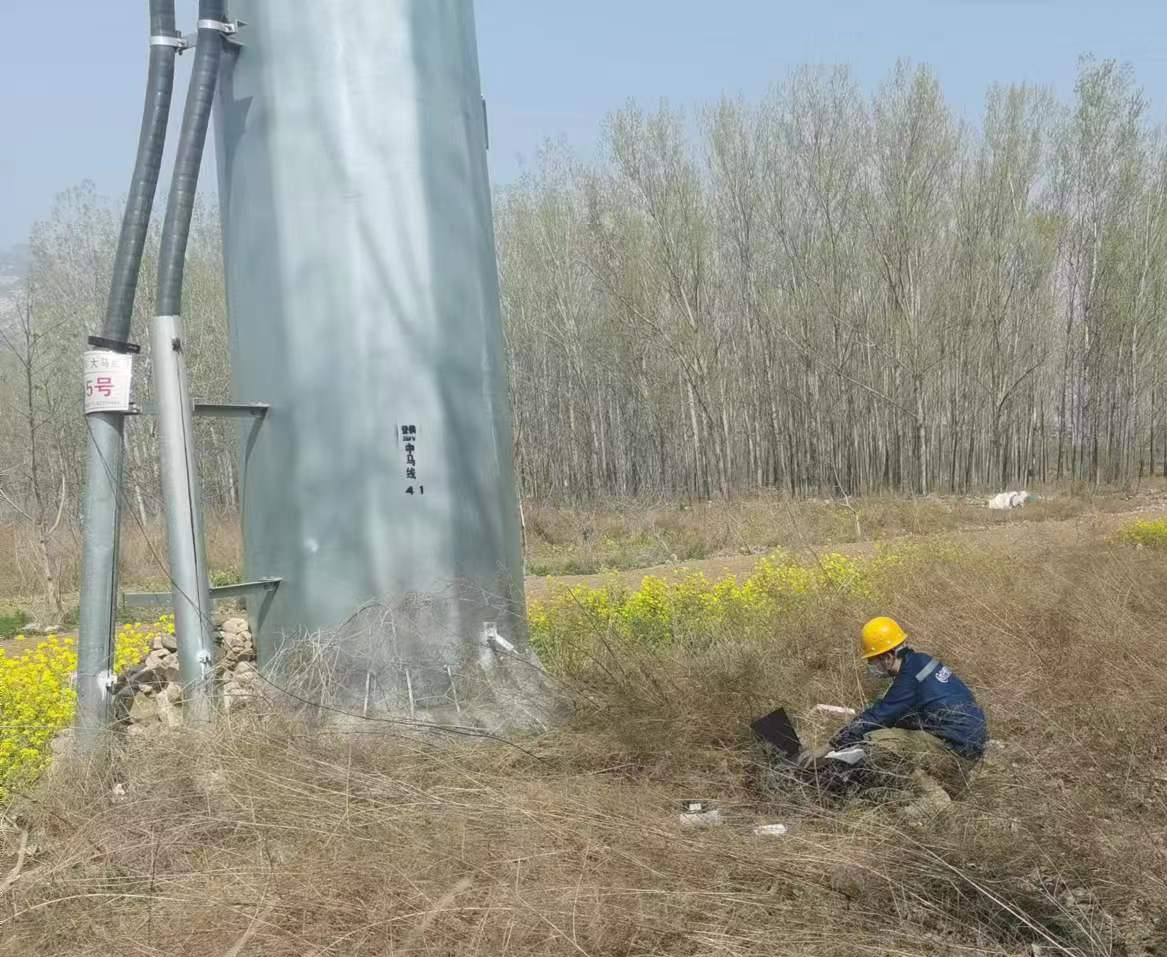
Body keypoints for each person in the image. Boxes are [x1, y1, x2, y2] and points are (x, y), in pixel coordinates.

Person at [801, 616, 988, 812]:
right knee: (895, 734)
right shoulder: (921, 662)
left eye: (873, 661)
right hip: (971, 744)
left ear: (888, 657)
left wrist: (829, 746)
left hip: (955, 749)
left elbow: (878, 717)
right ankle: (945, 784)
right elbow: (901, 713)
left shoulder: (909, 677)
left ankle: (932, 797)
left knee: (879, 742)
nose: (873, 667)